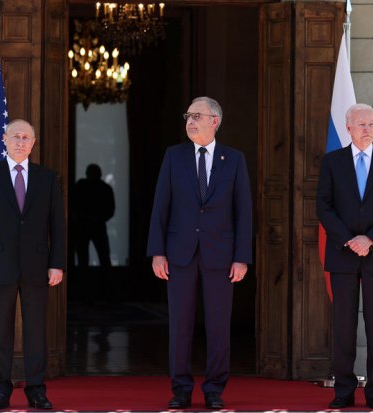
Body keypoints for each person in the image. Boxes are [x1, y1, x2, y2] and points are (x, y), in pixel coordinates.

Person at [147, 96, 253, 410]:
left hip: (221, 256)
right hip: (179, 254)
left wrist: (241, 257)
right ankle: (180, 389)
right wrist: (157, 252)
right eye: (188, 116)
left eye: (197, 116)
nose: (190, 121)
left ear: (214, 121)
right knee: (180, 325)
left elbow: (243, 211)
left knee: (218, 325)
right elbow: (160, 205)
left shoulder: (234, 159)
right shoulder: (174, 156)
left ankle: (214, 390)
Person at [0, 119, 65, 410]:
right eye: (15, 136)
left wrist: (57, 263)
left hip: (38, 266)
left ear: (33, 143)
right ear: (4, 140)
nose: (20, 142)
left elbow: (57, 225)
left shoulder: (47, 178)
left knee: (36, 332)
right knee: (0, 332)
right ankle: (0, 391)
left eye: (26, 137)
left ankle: (37, 391)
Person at [316, 103, 373, 410]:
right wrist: (348, 240)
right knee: (343, 326)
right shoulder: (332, 162)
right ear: (349, 128)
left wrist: (370, 240)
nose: (367, 129)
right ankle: (343, 391)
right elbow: (324, 206)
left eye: (371, 124)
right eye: (362, 124)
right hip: (342, 254)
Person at [72, 163, 115, 269]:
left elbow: (110, 210)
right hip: (87, 226)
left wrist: (90, 218)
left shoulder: (82, 186)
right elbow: (73, 205)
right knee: (91, 258)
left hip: (89, 226)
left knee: (99, 257)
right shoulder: (104, 188)